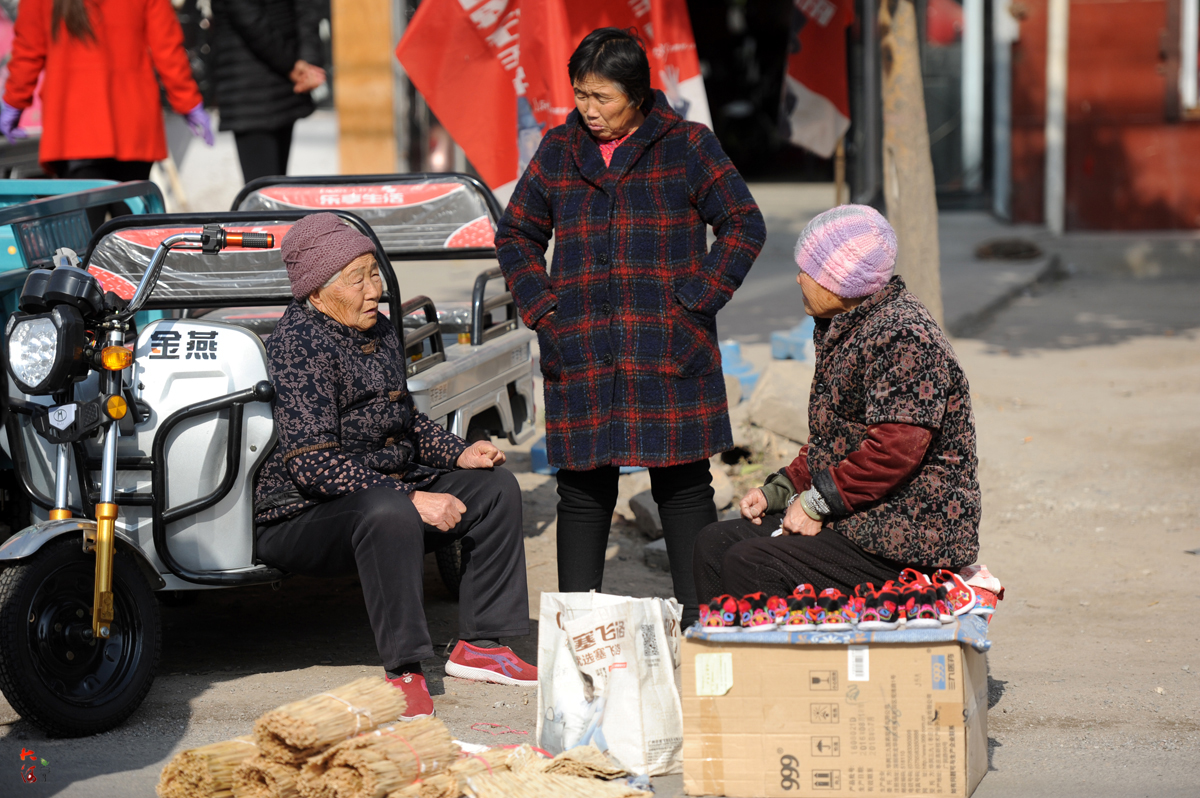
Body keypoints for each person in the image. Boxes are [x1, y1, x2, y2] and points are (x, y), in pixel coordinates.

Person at [495, 28, 765, 627]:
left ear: (638, 94)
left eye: (603, 98)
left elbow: (744, 222)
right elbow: (516, 233)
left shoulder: (689, 146)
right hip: (582, 342)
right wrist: (543, 308)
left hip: (669, 343)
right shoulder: (560, 148)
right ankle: (580, 626)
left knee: (684, 482)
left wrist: (696, 299)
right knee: (583, 487)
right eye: (581, 95)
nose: (589, 111)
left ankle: (702, 624)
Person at [253, 213, 536, 720]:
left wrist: (458, 453)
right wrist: (410, 497)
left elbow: (404, 420)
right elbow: (312, 462)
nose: (374, 290)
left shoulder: (378, 330)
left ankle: (482, 644)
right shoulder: (298, 345)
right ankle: (404, 671)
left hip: (380, 489)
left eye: (374, 273)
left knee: (495, 489)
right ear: (316, 292)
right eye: (356, 279)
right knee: (390, 510)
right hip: (301, 515)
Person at [693, 205, 981, 603]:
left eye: (807, 270)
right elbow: (836, 438)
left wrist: (814, 505)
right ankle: (713, 658)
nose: (798, 279)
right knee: (713, 543)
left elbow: (893, 452)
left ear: (839, 280)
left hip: (909, 534)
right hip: (862, 514)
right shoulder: (846, 325)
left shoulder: (904, 338)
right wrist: (783, 488)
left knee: (751, 562)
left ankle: (771, 664)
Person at [0, 0, 214, 180]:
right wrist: (189, 103)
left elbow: (28, 51)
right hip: (134, 126)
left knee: (83, 229)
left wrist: (13, 103)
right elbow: (168, 50)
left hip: (73, 129)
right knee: (130, 228)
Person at [210, 0, 325, 183]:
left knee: (271, 192)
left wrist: (303, 64)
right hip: (253, 89)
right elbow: (248, 19)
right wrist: (299, 65)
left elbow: (305, 10)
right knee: (265, 192)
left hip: (279, 85)